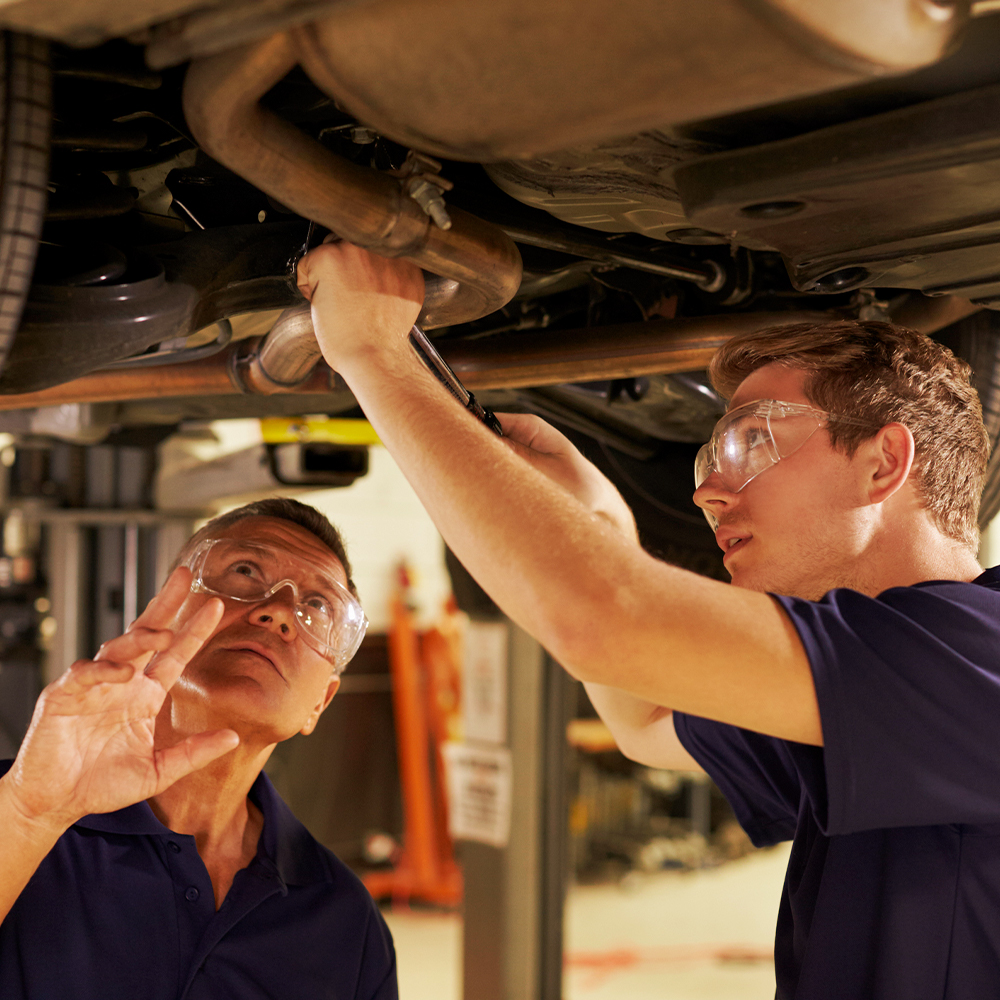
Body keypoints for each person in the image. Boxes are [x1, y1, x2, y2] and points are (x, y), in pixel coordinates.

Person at [297, 240, 1000, 999]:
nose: (708, 493)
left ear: (882, 463)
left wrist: (373, 353)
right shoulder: (874, 693)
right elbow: (646, 721)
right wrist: (598, 518)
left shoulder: (978, 662)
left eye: (748, 441)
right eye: (711, 459)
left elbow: (604, 624)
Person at [0, 497, 396, 1000]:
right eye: (245, 570)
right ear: (161, 617)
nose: (278, 611)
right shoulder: (19, 812)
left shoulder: (345, 923)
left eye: (317, 606)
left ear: (320, 702)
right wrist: (29, 812)